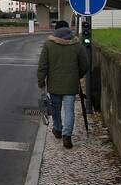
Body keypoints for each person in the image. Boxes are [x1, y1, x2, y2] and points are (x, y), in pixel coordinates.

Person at [37, 20, 89, 149]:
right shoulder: (77, 44)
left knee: (55, 108)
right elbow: (85, 65)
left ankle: (57, 129)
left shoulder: (49, 44)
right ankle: (67, 135)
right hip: (71, 84)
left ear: (56, 30)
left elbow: (42, 65)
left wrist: (41, 80)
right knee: (69, 110)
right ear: (68, 29)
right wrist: (79, 75)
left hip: (54, 84)